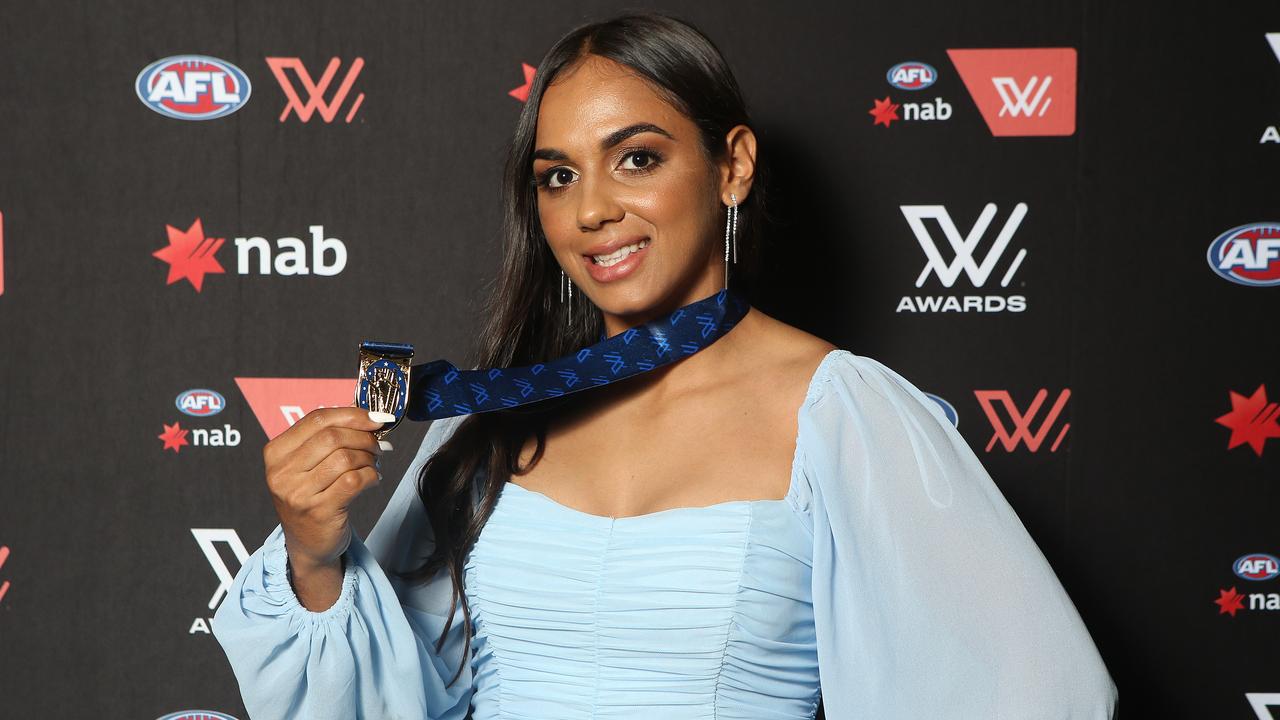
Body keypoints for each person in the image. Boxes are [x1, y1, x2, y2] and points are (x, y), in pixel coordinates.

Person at [212, 11, 1118, 720]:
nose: (592, 210)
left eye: (636, 158)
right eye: (556, 175)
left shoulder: (841, 413)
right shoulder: (489, 415)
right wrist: (314, 553)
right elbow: (393, 699)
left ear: (732, 167)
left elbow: (1029, 690)